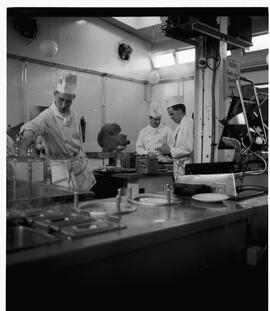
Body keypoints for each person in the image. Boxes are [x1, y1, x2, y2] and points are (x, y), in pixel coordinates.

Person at [19, 72, 96, 191]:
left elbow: (80, 141)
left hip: (80, 168)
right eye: (61, 99)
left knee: (84, 200)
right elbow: (32, 126)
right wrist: (28, 136)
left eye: (68, 101)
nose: (64, 104)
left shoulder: (74, 115)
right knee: (66, 202)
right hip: (61, 170)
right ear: (55, 94)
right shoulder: (47, 116)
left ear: (74, 98)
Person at [156, 96, 193, 181]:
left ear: (179, 110)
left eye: (172, 114)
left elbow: (188, 148)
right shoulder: (180, 126)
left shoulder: (188, 124)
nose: (171, 117)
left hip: (186, 167)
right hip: (180, 167)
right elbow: (180, 148)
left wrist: (170, 151)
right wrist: (168, 150)